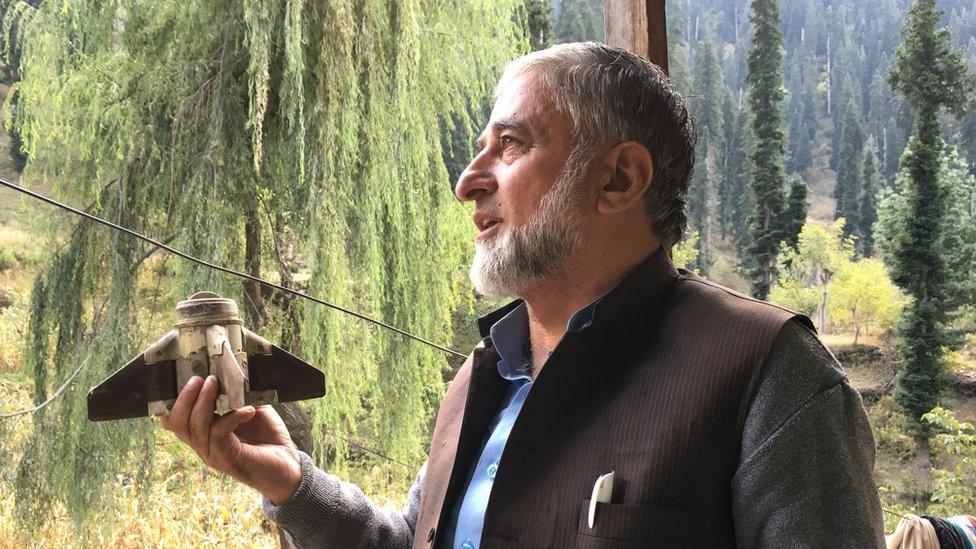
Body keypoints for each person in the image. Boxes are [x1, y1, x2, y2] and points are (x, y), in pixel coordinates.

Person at [161, 42, 885, 548]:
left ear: (618, 180)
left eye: (510, 145)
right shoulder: (478, 379)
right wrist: (292, 484)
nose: (468, 180)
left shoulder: (770, 375)